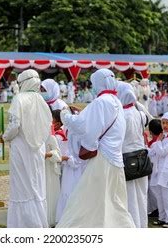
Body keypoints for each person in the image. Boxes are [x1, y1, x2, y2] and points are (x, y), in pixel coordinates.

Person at [57, 69, 135, 228]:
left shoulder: (102, 102)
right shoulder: (116, 101)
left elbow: (85, 127)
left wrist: (65, 116)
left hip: (102, 160)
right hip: (116, 160)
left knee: (86, 201)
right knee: (112, 202)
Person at [1, 69, 52, 228]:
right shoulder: (41, 100)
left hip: (22, 147)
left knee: (22, 186)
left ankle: (24, 225)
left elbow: (14, 125)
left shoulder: (19, 98)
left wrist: (5, 136)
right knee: (36, 185)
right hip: (38, 149)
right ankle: (38, 222)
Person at [117, 81, 148, 228]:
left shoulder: (120, 115)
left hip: (126, 158)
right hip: (141, 157)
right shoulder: (140, 113)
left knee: (128, 196)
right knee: (141, 195)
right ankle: (141, 224)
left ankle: (131, 226)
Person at [44, 129, 62, 227]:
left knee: (50, 191)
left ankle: (50, 217)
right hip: (40, 168)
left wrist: (49, 154)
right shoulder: (34, 137)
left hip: (49, 169)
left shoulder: (51, 137)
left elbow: (58, 155)